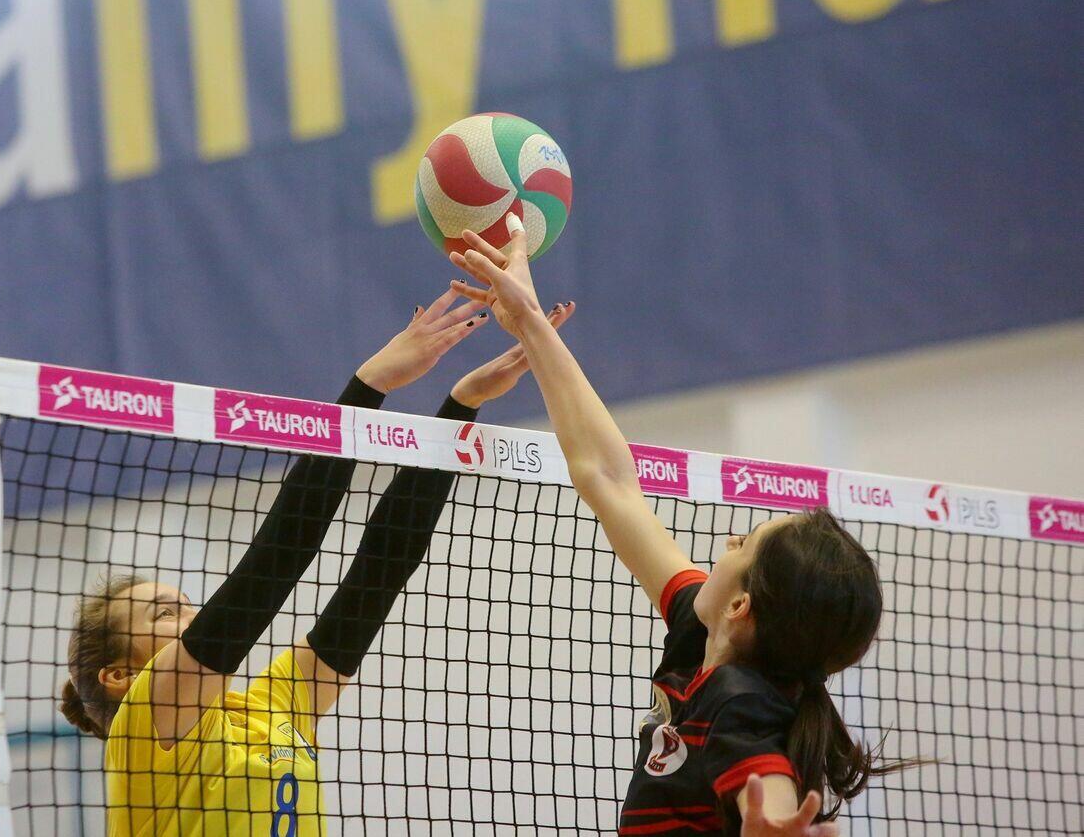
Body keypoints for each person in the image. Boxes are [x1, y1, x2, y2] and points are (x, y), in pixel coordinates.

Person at [448, 215, 907, 836]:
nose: (729, 540)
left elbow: (769, 792)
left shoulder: (742, 702)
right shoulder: (700, 629)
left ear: (741, 605)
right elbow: (608, 477)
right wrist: (529, 320)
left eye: (745, 543)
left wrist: (773, 827)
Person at [58, 287, 573, 836]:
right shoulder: (143, 728)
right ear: (119, 676)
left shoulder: (272, 705)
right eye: (164, 614)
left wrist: (459, 410)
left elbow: (379, 574)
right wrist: (368, 387)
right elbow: (275, 561)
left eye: (185, 604)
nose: (193, 615)